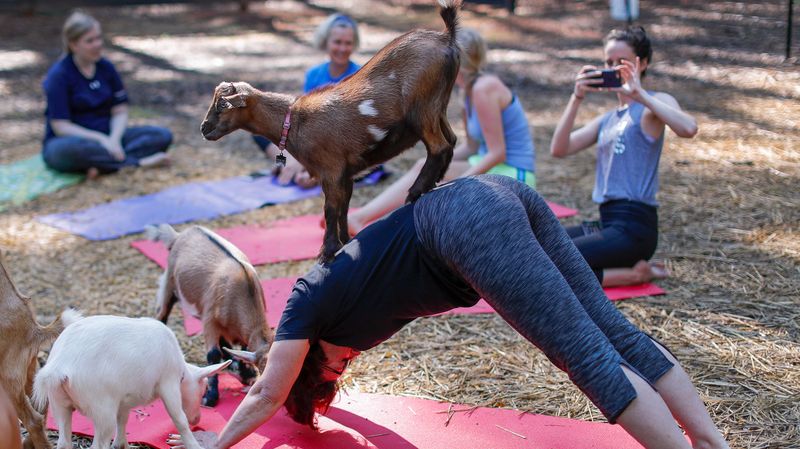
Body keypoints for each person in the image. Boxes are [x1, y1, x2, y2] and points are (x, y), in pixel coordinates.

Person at [168, 175, 729, 449]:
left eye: (329, 377)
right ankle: (712, 444)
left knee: (586, 353)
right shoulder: (337, 323)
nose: (344, 372)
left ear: (311, 364)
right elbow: (328, 404)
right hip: (496, 196)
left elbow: (266, 392)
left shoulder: (302, 307)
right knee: (614, 334)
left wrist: (211, 446)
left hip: (465, 225)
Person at [347, 28, 536, 235]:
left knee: (436, 182)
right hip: (494, 167)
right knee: (425, 166)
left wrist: (457, 182)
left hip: (516, 175)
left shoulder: (485, 88)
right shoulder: (468, 92)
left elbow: (497, 152)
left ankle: (370, 223)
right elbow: (473, 146)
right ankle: (361, 218)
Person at [550, 26, 698, 287]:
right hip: (607, 223)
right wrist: (577, 97)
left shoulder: (654, 102)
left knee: (556, 262)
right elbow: (559, 149)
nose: (613, 68)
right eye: (608, 62)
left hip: (634, 227)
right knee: (540, 246)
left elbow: (688, 128)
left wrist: (638, 93)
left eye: (622, 62)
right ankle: (626, 268)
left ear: (643, 64)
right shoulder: (607, 119)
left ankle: (634, 275)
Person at [42, 11, 172, 179]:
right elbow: (61, 127)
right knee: (63, 152)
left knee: (162, 136)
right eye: (90, 41)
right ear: (74, 45)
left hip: (110, 135)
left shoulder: (106, 68)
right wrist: (102, 140)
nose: (97, 44)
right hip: (75, 141)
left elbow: (120, 110)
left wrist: (114, 139)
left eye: (98, 38)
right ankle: (137, 163)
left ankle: (101, 166)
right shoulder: (59, 75)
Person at [253, 13, 363, 188]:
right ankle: (293, 164)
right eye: (337, 42)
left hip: (340, 143)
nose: (342, 48)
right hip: (312, 138)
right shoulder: (314, 74)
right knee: (261, 131)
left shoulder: (360, 76)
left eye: (348, 43)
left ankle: (304, 169)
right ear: (326, 42)